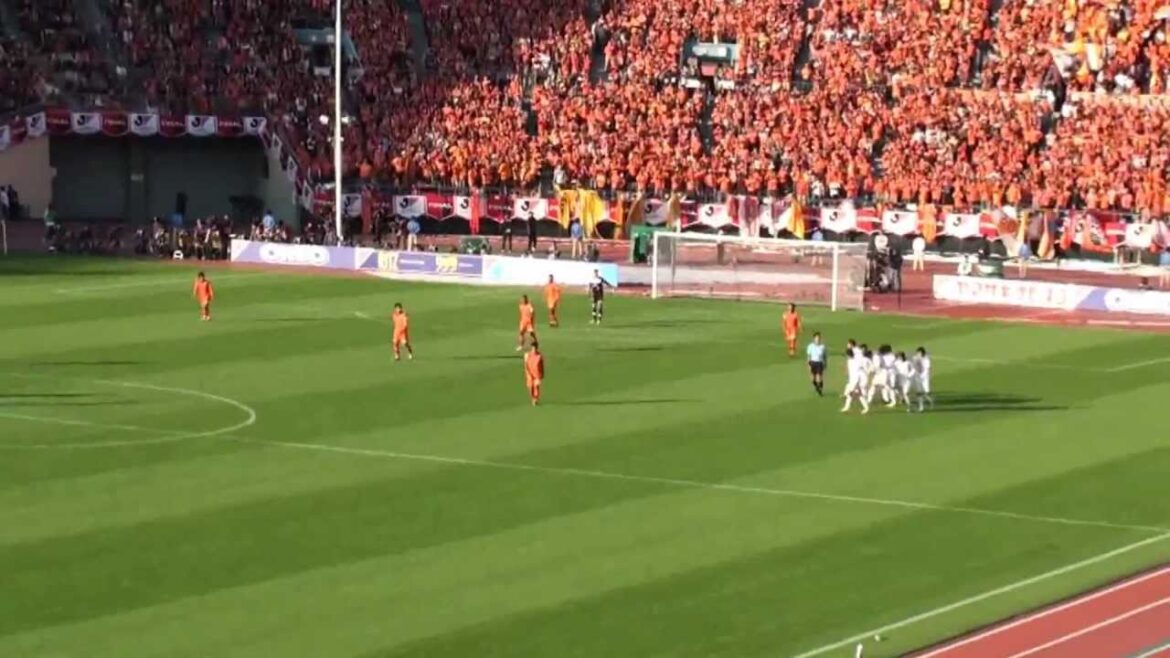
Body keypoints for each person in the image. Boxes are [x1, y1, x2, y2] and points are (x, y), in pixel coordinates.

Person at [841, 347, 870, 414]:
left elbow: (857, 372)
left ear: (848, 355)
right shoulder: (850, 361)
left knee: (851, 394)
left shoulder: (855, 361)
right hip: (853, 380)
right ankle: (847, 407)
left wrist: (855, 384)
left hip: (856, 380)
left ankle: (847, 407)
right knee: (855, 394)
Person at [913, 346, 934, 412]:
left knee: (926, 393)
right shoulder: (915, 358)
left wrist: (924, 376)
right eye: (917, 353)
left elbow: (927, 369)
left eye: (919, 353)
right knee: (919, 393)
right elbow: (914, 366)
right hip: (917, 377)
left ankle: (930, 401)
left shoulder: (926, 359)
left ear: (922, 353)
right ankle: (921, 407)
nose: (918, 354)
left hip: (924, 378)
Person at [524, 341, 545, 406]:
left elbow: (542, 365)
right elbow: (525, 364)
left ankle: (535, 399)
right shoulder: (527, 355)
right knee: (531, 387)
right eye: (533, 347)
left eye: (535, 347)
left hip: (537, 373)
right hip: (529, 373)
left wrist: (542, 374)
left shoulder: (539, 356)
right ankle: (533, 398)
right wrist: (527, 372)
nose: (534, 348)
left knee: (536, 386)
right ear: (531, 348)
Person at [806, 332, 827, 397]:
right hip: (812, 362)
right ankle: (817, 386)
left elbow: (824, 356)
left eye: (819, 338)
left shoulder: (822, 346)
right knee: (813, 378)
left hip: (819, 363)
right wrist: (808, 364)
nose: (818, 340)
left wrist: (825, 363)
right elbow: (809, 356)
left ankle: (820, 389)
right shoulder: (810, 346)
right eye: (816, 338)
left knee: (819, 377)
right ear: (814, 339)